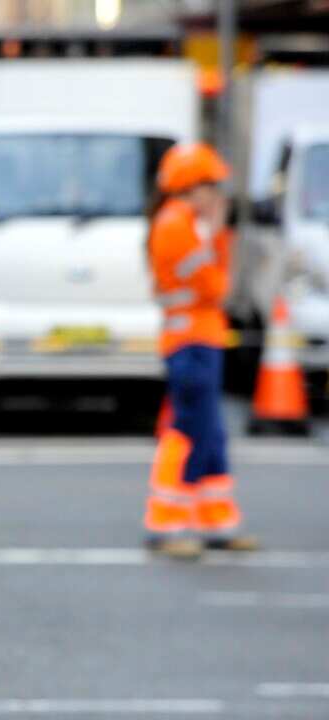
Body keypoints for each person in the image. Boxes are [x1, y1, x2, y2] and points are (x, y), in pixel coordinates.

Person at [144, 142, 257, 558]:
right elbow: (216, 286)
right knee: (189, 431)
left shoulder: (185, 223)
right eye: (213, 186)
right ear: (194, 186)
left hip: (200, 339)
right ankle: (167, 526)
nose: (218, 195)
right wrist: (218, 232)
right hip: (190, 341)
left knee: (210, 433)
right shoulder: (177, 224)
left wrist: (217, 231)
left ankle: (216, 523)